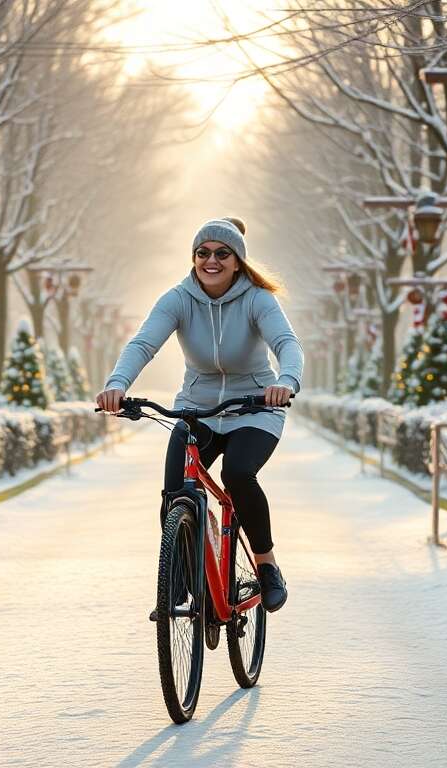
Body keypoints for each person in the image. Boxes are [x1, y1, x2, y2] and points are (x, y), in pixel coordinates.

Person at [95, 217, 302, 613]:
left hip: (255, 407)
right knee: (176, 489)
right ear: (193, 258)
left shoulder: (258, 299)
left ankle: (267, 565)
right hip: (198, 409)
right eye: (203, 253)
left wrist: (286, 381)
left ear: (238, 261)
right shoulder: (178, 298)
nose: (212, 260)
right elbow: (143, 343)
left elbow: (286, 343)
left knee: (238, 475)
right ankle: (179, 581)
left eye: (222, 254)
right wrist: (117, 385)